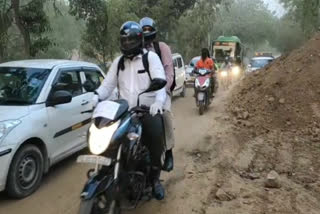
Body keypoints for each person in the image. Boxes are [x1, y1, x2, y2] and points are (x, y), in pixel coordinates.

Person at [93, 21, 166, 200]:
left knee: (155, 137)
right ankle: (110, 172)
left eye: (130, 40)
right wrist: (96, 96)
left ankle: (155, 179)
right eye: (124, 41)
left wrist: (158, 102)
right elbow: (107, 85)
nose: (127, 44)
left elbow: (160, 83)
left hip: (146, 111)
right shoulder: (118, 62)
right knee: (109, 140)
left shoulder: (151, 58)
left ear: (139, 40)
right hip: (124, 113)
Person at [140, 17, 175, 172]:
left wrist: (162, 91)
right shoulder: (135, 51)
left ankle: (168, 151)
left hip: (161, 91)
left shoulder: (162, 48)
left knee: (165, 114)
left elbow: (169, 73)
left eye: (149, 32)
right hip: (141, 94)